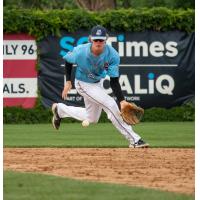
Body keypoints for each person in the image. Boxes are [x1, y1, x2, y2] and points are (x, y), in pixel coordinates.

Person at [51, 25, 149, 148]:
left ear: (105, 40)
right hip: (82, 83)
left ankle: (59, 110)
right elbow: (68, 60)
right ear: (91, 39)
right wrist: (68, 81)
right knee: (111, 104)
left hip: (96, 83)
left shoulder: (112, 55)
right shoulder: (81, 51)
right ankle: (134, 139)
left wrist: (122, 101)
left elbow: (114, 81)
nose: (98, 42)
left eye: (101, 40)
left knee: (92, 118)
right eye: (96, 39)